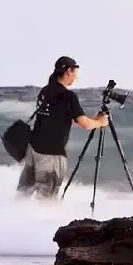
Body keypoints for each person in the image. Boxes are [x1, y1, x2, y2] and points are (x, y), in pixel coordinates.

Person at [17, 56, 109, 199]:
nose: (76, 77)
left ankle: (13, 217)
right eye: (75, 73)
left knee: (23, 195)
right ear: (68, 71)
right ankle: (46, 221)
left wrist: (92, 119)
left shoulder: (45, 91)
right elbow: (84, 124)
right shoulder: (68, 96)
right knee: (47, 200)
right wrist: (100, 122)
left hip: (33, 151)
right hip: (51, 154)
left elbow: (57, 119)